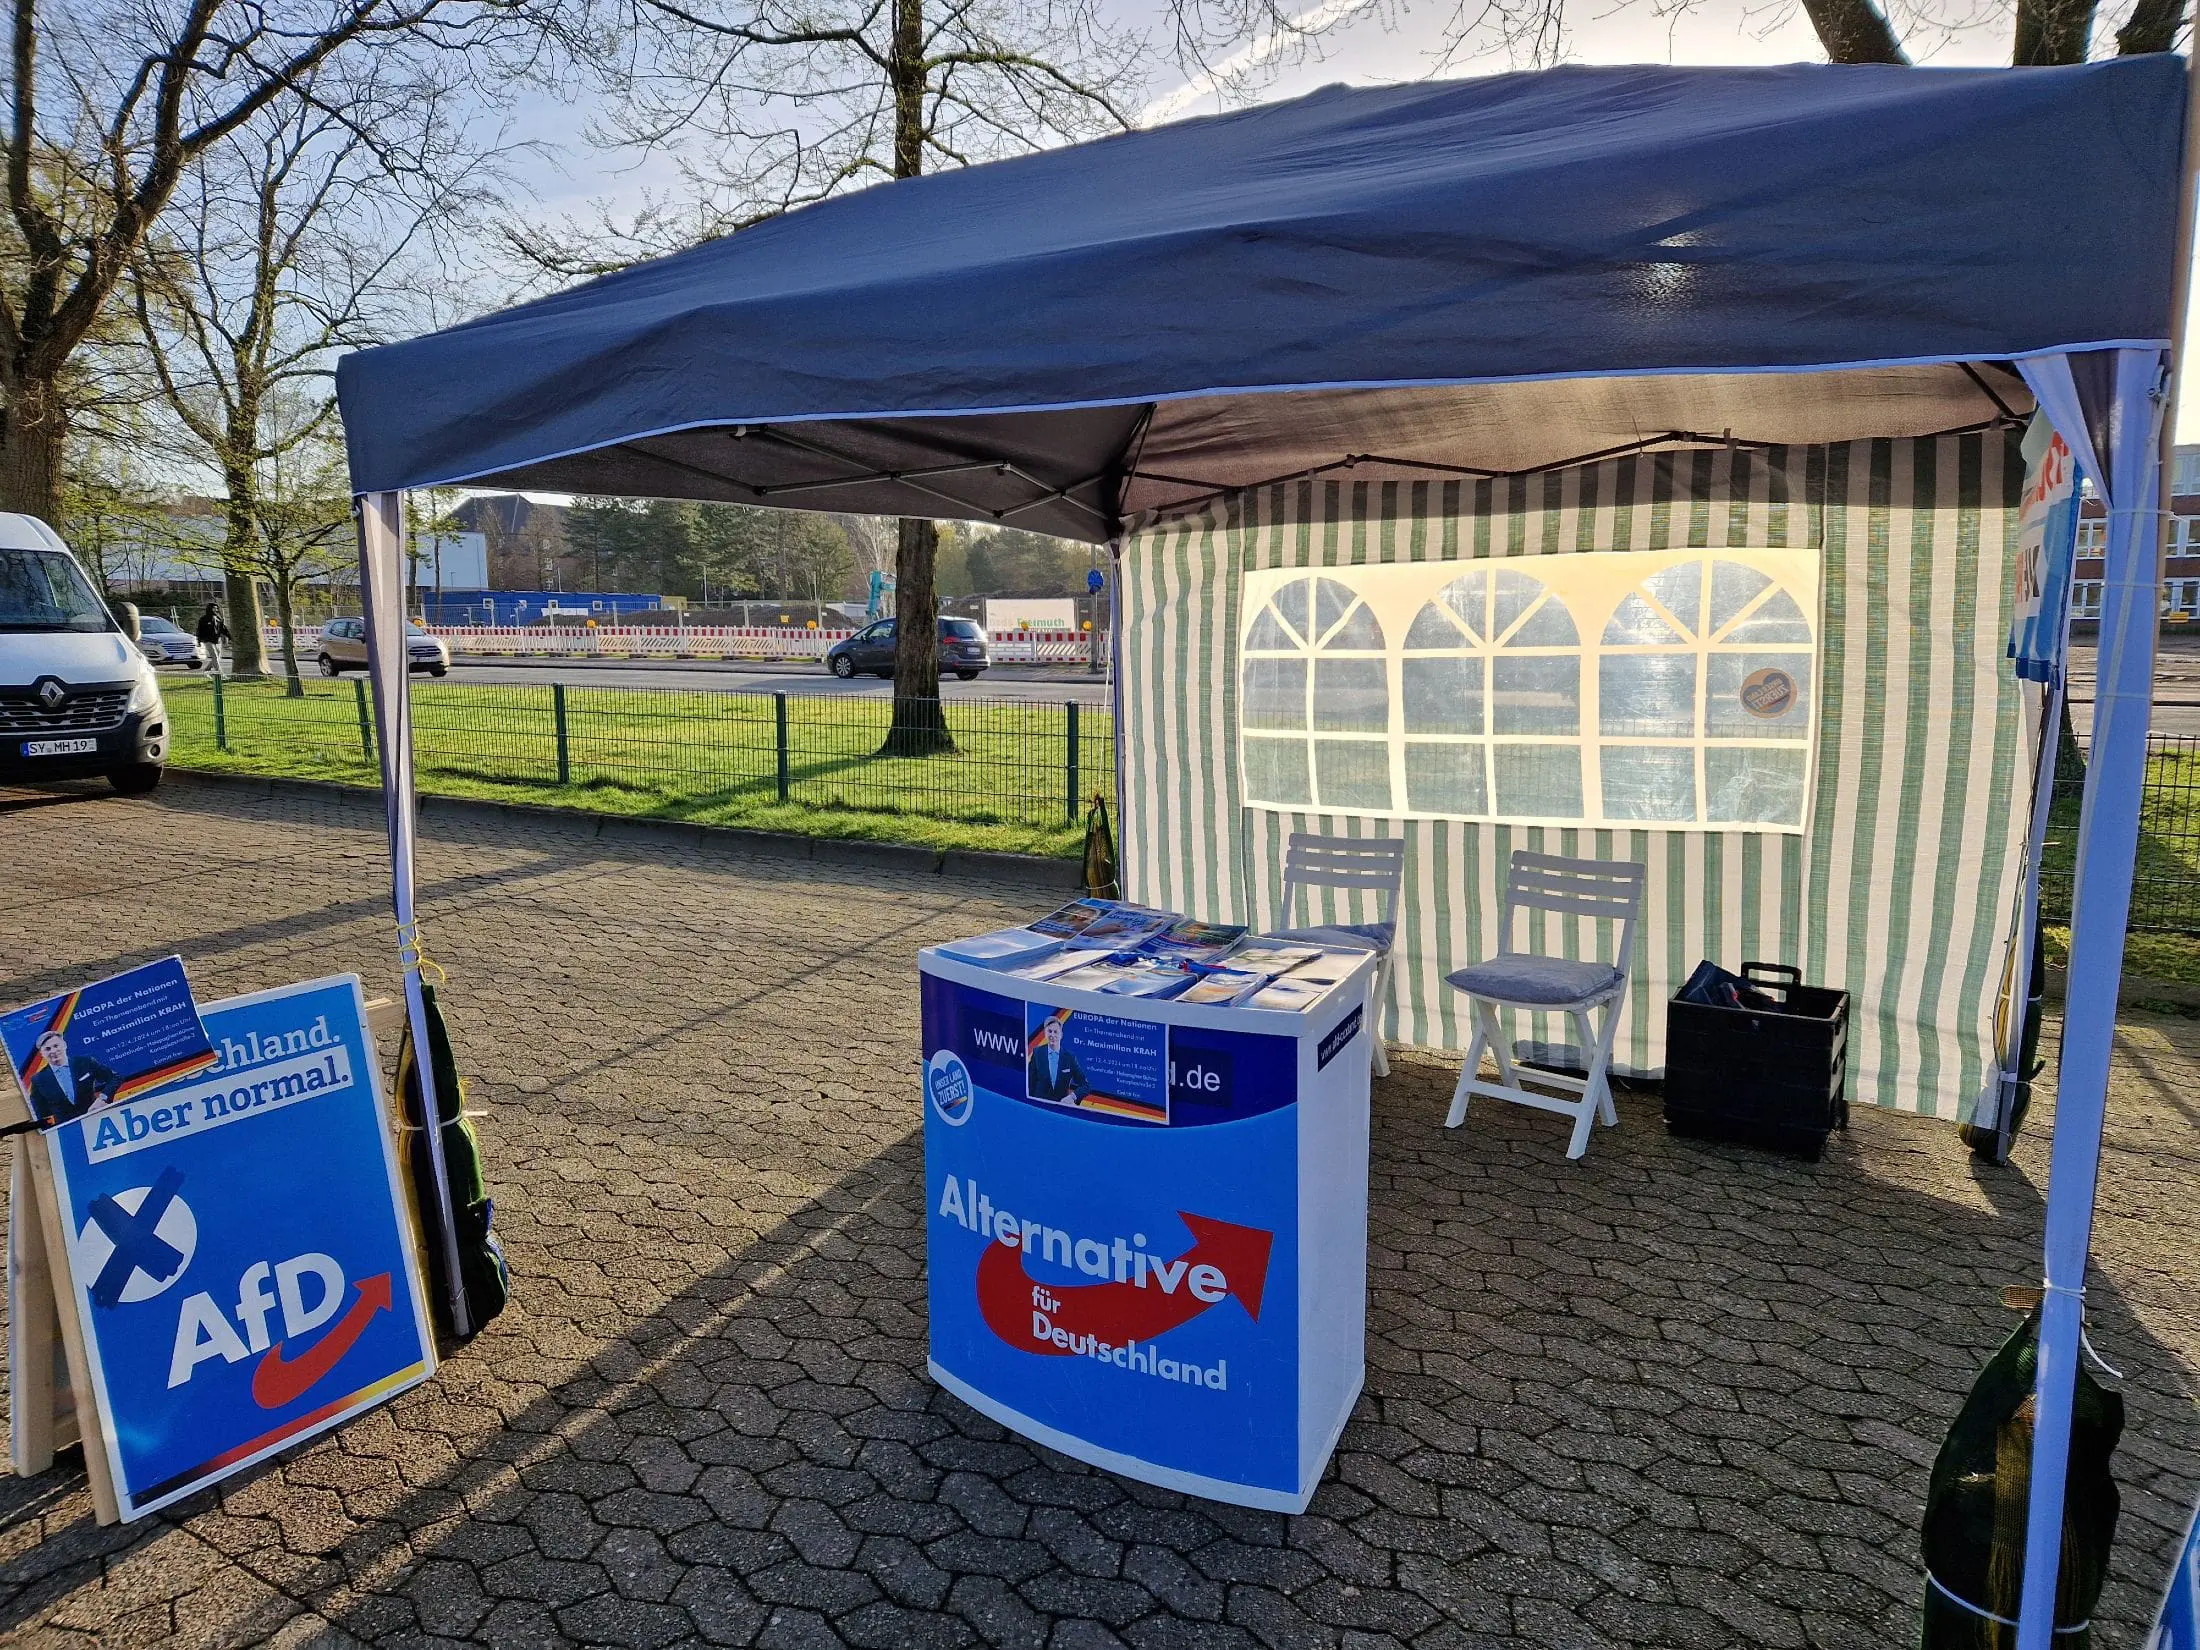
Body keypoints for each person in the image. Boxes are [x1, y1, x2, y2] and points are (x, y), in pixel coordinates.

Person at [22, 1027, 118, 1125]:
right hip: (68, 1130)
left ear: (64, 1045)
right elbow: (39, 1113)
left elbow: (115, 1077)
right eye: (48, 1049)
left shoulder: (85, 1062)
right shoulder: (38, 1080)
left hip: (98, 1119)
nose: (53, 1051)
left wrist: (102, 1098)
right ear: (42, 1053)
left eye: (56, 1046)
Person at [1026, 1015, 1088, 1104]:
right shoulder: (1037, 1053)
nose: (1052, 1035)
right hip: (1039, 1106)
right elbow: (1030, 1083)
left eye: (1056, 1032)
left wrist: (1072, 1097)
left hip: (1060, 1108)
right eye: (1049, 1031)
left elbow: (1085, 1085)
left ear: (1061, 1035)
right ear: (1045, 1033)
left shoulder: (1070, 1057)